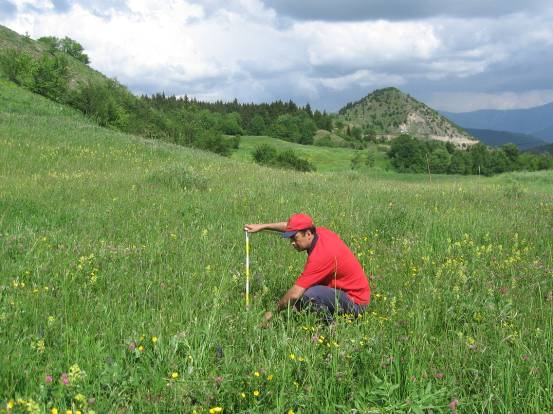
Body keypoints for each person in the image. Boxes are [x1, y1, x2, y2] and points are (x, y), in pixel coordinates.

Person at [244, 213, 371, 325]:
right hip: (343, 293)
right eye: (291, 238)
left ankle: (329, 329)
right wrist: (263, 226)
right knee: (300, 301)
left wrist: (273, 313)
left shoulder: (321, 255)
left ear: (308, 234)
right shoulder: (319, 233)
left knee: (308, 295)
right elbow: (290, 227)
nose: (292, 242)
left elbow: (294, 294)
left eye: (295, 238)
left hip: (356, 304)